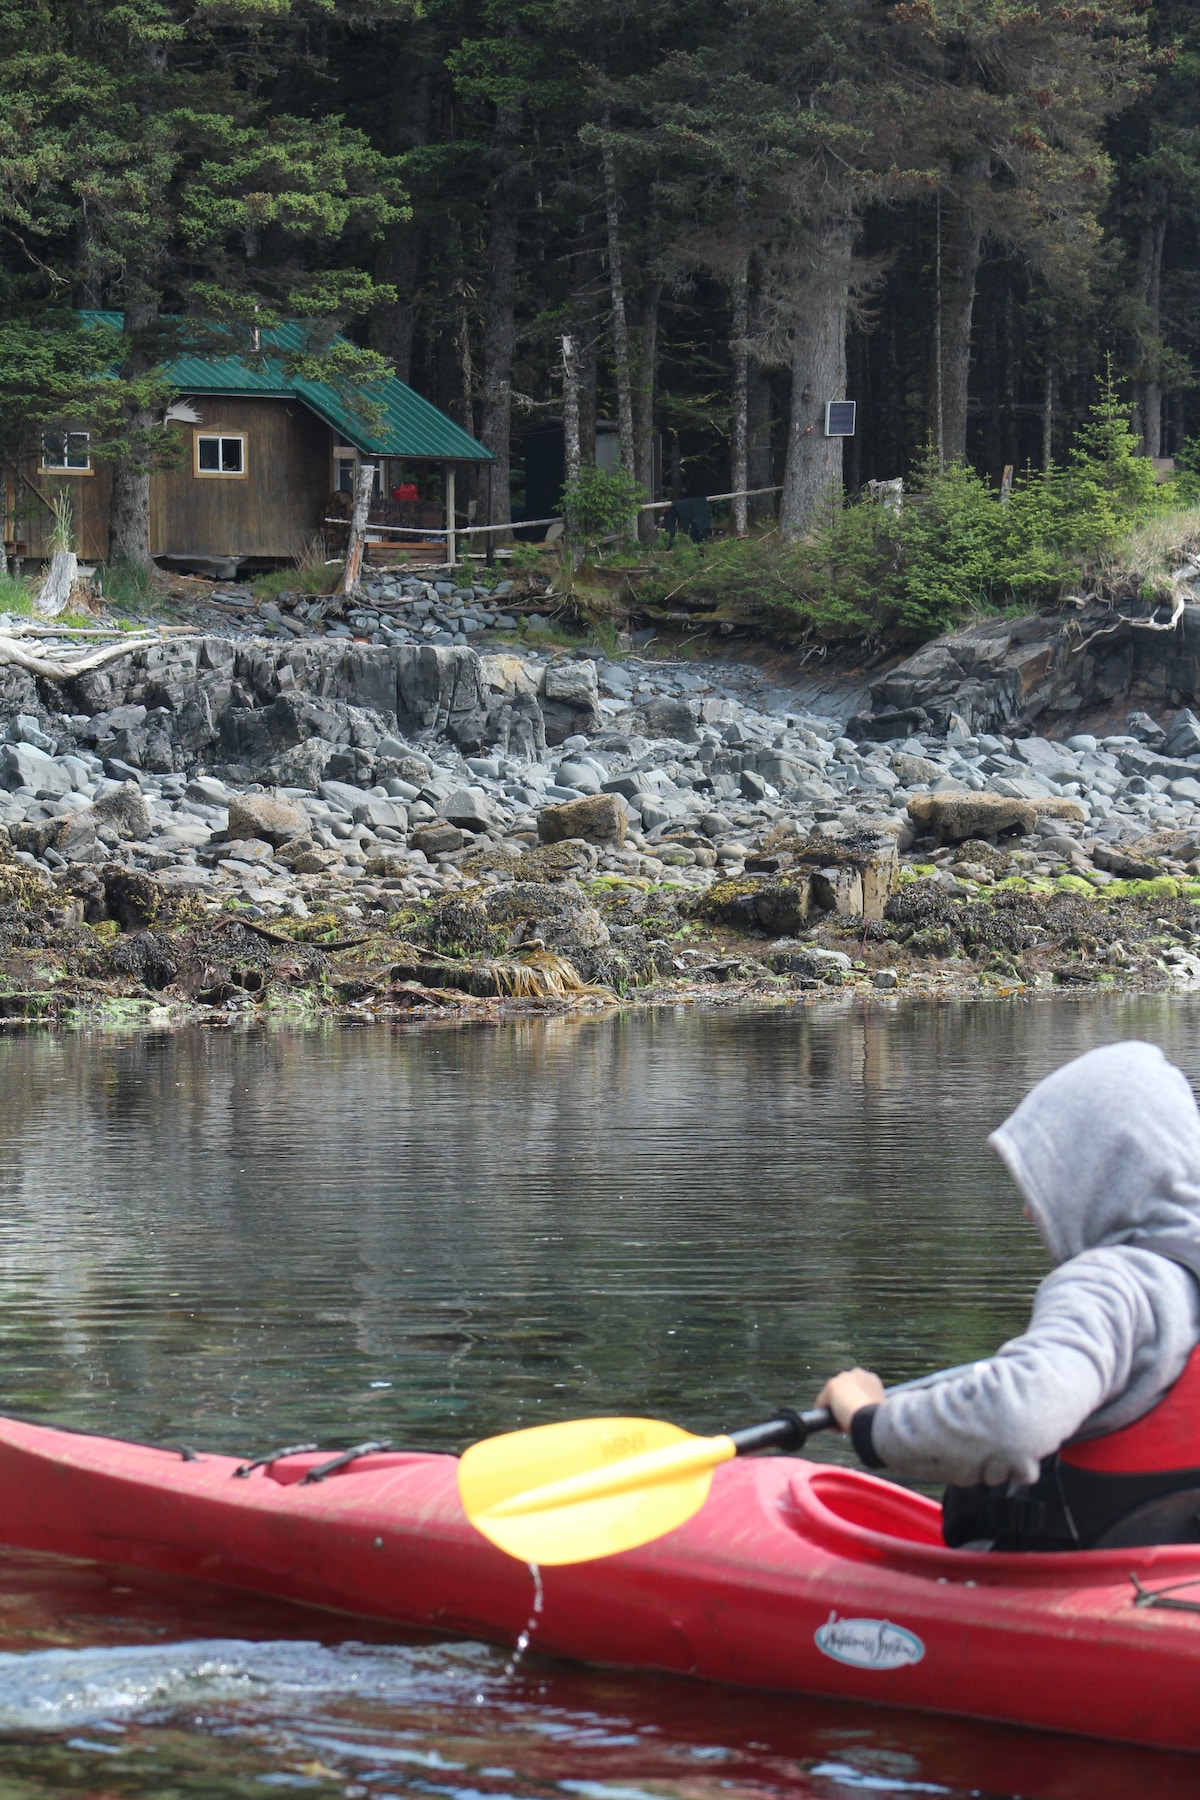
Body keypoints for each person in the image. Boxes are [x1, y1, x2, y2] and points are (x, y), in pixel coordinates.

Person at [817, 1041, 1200, 1550]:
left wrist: (870, 1422)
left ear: (1096, 1171)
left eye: (1045, 1183)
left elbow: (1018, 1420)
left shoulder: (1109, 1286)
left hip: (1076, 1586)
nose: (1027, 1212)